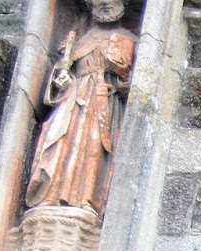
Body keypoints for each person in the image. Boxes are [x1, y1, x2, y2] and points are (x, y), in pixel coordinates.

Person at [25, 0, 137, 215]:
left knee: (94, 146)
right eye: (98, 0)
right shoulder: (80, 40)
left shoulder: (129, 39)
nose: (105, 3)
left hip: (103, 100)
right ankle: (51, 195)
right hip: (73, 99)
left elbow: (134, 84)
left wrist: (123, 82)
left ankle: (88, 200)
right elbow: (62, 72)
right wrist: (62, 79)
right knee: (61, 141)